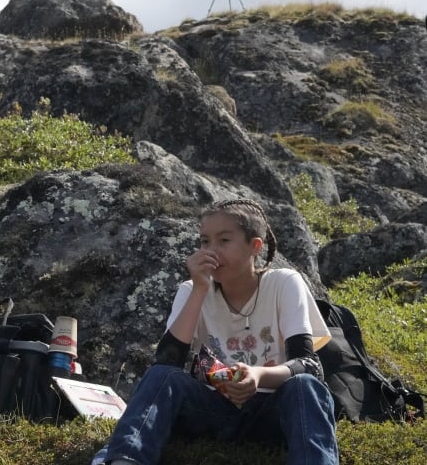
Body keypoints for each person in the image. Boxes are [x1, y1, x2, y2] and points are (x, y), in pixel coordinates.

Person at [92, 199, 338, 465]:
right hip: (214, 411)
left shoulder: (284, 283)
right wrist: (199, 289)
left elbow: (309, 366)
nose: (211, 250)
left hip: (275, 412)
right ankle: (125, 460)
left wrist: (258, 376)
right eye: (204, 241)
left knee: (305, 387)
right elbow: (167, 361)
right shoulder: (191, 289)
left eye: (224, 241)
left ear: (254, 246)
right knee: (162, 377)